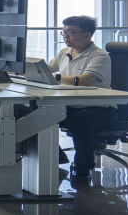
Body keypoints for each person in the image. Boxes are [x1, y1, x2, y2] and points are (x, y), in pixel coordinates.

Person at [47, 15, 113, 182]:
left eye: (71, 32)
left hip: (99, 108)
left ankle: (83, 167)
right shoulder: (65, 52)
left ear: (87, 35)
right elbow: (47, 70)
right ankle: (55, 156)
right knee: (40, 113)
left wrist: (57, 78)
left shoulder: (99, 56)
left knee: (82, 119)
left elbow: (85, 80)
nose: (65, 36)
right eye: (63, 32)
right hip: (71, 104)